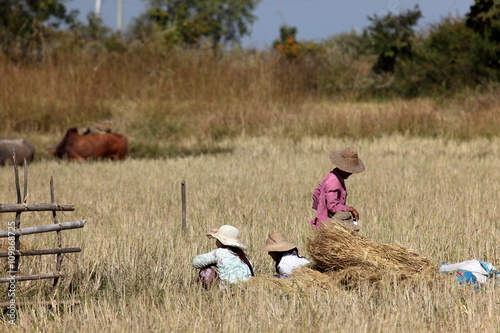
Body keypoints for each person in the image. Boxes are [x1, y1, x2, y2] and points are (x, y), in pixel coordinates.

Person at [309, 147, 365, 229]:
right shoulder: (333, 181)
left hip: (325, 220)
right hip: (327, 224)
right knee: (346, 217)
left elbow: (316, 193)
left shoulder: (332, 175)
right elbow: (332, 206)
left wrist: (322, 208)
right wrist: (350, 209)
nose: (351, 173)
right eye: (349, 170)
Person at [192, 225, 255, 289]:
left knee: (206, 271)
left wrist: (211, 263)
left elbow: (196, 262)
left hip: (227, 291)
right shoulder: (245, 258)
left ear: (221, 241)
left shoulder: (219, 253)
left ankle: (205, 294)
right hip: (245, 290)